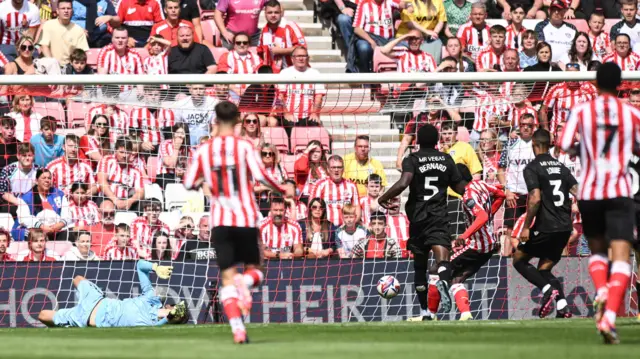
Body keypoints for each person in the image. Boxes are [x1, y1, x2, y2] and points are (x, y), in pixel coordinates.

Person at [184, 101, 294, 344]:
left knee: (226, 279)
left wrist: (208, 179)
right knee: (256, 271)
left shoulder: (205, 150)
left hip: (220, 221)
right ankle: (245, 283)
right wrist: (282, 188)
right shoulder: (244, 146)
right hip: (245, 218)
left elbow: (189, 181)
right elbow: (261, 174)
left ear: (215, 119)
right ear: (237, 121)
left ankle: (237, 330)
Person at [559, 63, 640, 344]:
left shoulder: (581, 110)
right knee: (621, 256)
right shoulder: (632, 113)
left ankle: (602, 291)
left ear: (594, 82)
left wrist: (587, 152)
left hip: (590, 191)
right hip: (619, 191)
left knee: (596, 249)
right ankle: (609, 317)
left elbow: (565, 143)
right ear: (620, 84)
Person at [378, 124, 466, 320]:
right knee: (443, 260)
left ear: (417, 140)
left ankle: (425, 311)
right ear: (437, 141)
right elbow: (461, 188)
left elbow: (403, 183)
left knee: (420, 267)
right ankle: (443, 280)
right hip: (440, 217)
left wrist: (382, 198)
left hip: (418, 218)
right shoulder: (446, 159)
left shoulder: (412, 159)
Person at [426, 163, 505, 320]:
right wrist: (491, 214)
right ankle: (466, 314)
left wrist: (464, 236)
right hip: (489, 246)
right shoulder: (481, 184)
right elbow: (501, 195)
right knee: (458, 278)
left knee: (436, 268)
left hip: (476, 245)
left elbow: (481, 216)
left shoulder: (468, 195)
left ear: (458, 181)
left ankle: (430, 315)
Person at [513, 129, 576, 319]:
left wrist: (525, 227)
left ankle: (547, 289)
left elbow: (535, 199)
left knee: (518, 259)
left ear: (534, 144)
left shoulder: (532, 167)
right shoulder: (561, 167)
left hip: (546, 228)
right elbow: (578, 192)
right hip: (565, 228)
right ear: (549, 144)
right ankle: (563, 306)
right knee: (544, 269)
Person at [38, 259, 189, 327]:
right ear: (169, 305)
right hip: (97, 300)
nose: (175, 314)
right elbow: (140, 266)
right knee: (77, 279)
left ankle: (63, 326)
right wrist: (155, 267)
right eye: (175, 310)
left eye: (178, 318)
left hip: (85, 318)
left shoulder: (151, 325)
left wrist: (169, 318)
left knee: (43, 315)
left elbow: (163, 323)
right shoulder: (151, 298)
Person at [277, 46, 325, 132]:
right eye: (298, 56)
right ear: (292, 59)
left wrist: (314, 113)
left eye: (304, 56)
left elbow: (319, 97)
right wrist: (286, 113)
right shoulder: (285, 73)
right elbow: (279, 96)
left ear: (308, 58)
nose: (301, 58)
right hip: (289, 115)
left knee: (314, 127)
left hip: (309, 116)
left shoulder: (315, 73)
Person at [12, 168, 68, 242]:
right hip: (32, 229)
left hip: (54, 229)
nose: (47, 180)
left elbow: (67, 214)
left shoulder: (59, 194)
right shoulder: (26, 197)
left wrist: (59, 225)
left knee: (69, 233)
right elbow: (24, 218)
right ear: (36, 181)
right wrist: (42, 226)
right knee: (33, 234)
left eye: (49, 178)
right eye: (43, 178)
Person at [96, 136, 147, 212]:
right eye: (121, 152)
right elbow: (102, 182)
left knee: (142, 205)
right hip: (107, 198)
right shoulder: (106, 160)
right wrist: (115, 200)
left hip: (126, 200)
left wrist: (130, 201)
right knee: (108, 207)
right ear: (115, 151)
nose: (124, 155)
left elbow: (141, 192)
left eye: (127, 152)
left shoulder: (136, 170)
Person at [310, 155, 361, 226]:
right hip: (327, 228)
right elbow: (312, 208)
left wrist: (350, 226)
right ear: (328, 169)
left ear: (343, 169)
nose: (336, 170)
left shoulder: (351, 185)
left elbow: (357, 208)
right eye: (333, 167)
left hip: (346, 228)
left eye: (339, 167)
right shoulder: (320, 184)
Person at [257, 0, 305, 73]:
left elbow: (303, 48)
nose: (273, 15)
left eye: (276, 12)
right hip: (272, 75)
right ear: (265, 14)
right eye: (270, 12)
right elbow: (260, 52)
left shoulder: (291, 26)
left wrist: (281, 51)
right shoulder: (264, 30)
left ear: (281, 13)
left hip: (293, 73)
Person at [38, 0, 89, 66]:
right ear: (57, 11)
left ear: (72, 11)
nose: (66, 11)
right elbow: (44, 46)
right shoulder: (48, 25)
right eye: (63, 8)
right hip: (50, 65)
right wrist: (53, 64)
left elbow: (81, 53)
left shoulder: (78, 30)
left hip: (70, 68)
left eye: (68, 8)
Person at [156, 123, 190, 190]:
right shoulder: (165, 144)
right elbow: (170, 165)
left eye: (182, 133)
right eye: (178, 133)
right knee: (174, 189)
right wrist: (176, 148)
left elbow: (190, 168)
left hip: (180, 177)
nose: (179, 136)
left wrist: (183, 172)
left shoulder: (187, 148)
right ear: (174, 133)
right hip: (164, 175)